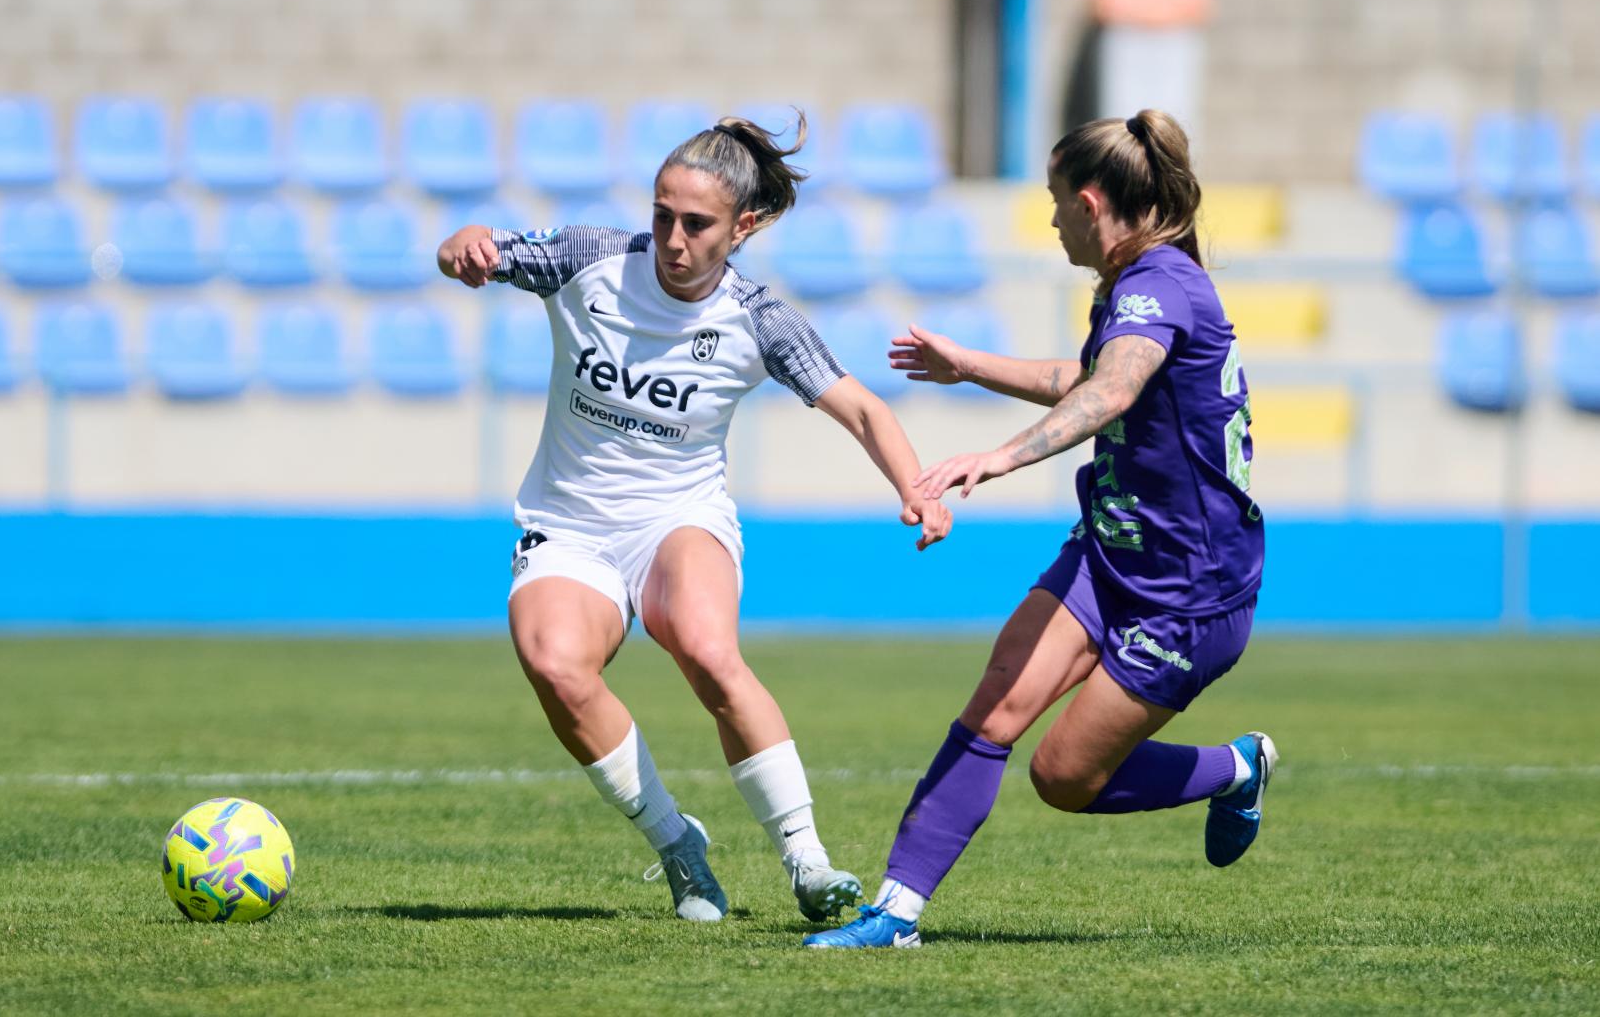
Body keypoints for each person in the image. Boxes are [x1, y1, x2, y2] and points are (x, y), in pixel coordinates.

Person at [436, 112, 952, 925]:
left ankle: (807, 862)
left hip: (679, 517)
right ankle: (679, 846)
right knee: (557, 667)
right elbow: (482, 248)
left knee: (708, 651)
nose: (673, 238)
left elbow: (858, 408)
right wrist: (464, 244)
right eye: (661, 216)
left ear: (742, 227)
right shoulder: (590, 259)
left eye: (697, 223)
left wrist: (914, 487)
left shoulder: (758, 319)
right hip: (568, 526)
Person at [804, 110, 1272, 949]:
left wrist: (998, 458)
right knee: (992, 710)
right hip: (1110, 550)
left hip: (1190, 592)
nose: (1053, 220)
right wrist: (969, 367)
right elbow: (1089, 375)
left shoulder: (1160, 284)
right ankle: (895, 915)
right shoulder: (1134, 286)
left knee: (1063, 777)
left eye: (1057, 203)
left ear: (1090, 204)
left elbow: (1109, 394)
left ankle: (1236, 768)